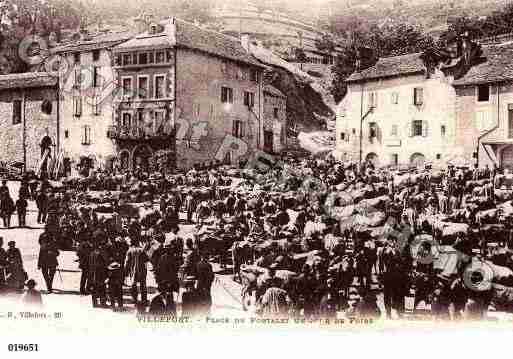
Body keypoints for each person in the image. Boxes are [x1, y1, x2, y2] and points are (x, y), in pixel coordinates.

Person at [124, 238, 149, 306]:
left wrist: (126, 272)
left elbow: (127, 262)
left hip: (133, 271)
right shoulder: (142, 250)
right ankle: (144, 300)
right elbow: (146, 261)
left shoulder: (129, 251)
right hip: (142, 271)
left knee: (133, 285)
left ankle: (135, 299)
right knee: (143, 285)